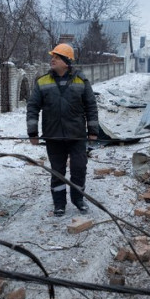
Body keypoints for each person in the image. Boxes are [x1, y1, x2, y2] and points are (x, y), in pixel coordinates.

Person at [26, 44, 98, 217]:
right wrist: (33, 132)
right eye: (53, 57)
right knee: (57, 171)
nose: (52, 60)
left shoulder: (81, 80)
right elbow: (32, 107)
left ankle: (78, 199)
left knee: (79, 168)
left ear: (66, 62)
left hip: (77, 135)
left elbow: (91, 106)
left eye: (57, 57)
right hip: (53, 136)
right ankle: (59, 204)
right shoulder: (42, 82)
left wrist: (93, 131)